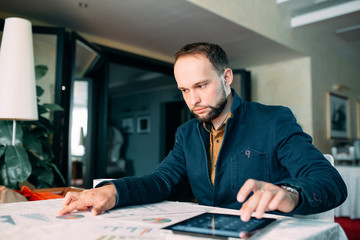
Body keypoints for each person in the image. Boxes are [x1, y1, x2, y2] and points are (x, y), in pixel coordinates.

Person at [58, 42, 347, 222]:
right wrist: (114, 191)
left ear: (226, 77)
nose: (192, 100)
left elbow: (328, 180)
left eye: (200, 86)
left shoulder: (273, 120)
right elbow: (162, 181)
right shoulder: (186, 133)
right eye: (184, 90)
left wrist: (290, 192)